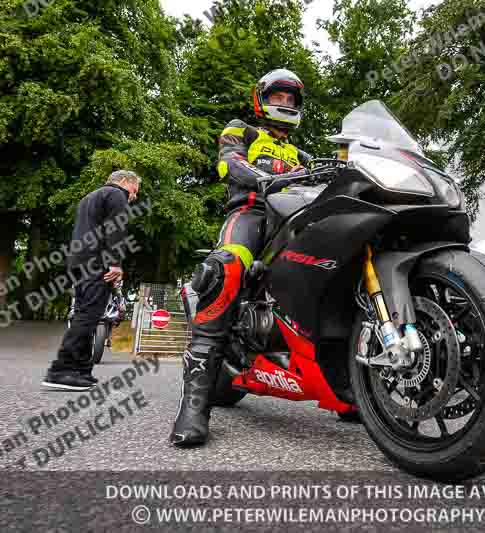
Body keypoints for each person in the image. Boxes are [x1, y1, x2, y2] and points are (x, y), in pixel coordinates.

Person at [170, 69, 310, 446]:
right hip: (250, 215)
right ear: (262, 100)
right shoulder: (242, 130)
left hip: (293, 222)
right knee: (226, 268)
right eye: (277, 97)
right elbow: (228, 162)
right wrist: (265, 178)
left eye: (290, 99)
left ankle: (353, 392)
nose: (284, 104)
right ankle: (194, 405)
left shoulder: (303, 154)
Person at [42, 170, 141, 391]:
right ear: (125, 182)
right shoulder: (117, 195)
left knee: (87, 314)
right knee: (88, 316)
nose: (134, 195)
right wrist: (115, 263)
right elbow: (116, 228)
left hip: (79, 261)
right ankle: (61, 370)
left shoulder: (90, 197)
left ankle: (80, 371)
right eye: (135, 189)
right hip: (97, 263)